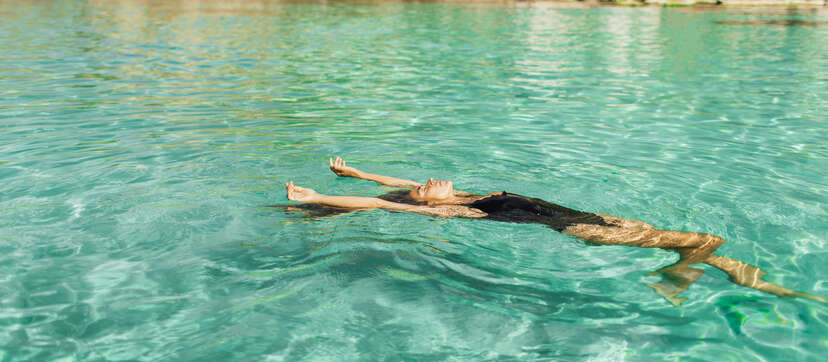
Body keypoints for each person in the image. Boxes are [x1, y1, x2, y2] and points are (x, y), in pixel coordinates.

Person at [285, 158, 825, 306]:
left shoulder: (461, 193)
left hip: (580, 212)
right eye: (424, 188)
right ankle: (679, 279)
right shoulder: (449, 210)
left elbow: (392, 183)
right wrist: (321, 198)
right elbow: (385, 204)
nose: (428, 182)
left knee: (706, 247)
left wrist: (356, 171)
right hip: (573, 227)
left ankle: (686, 276)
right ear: (425, 205)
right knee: (705, 241)